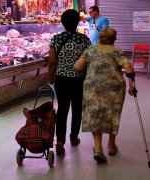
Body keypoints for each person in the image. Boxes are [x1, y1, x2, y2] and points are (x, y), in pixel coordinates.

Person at [74, 27, 135, 163]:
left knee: (95, 115)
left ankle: (98, 148)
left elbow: (77, 67)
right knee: (113, 114)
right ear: (114, 39)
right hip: (114, 88)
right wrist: (132, 86)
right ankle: (112, 145)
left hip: (93, 88)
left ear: (100, 37)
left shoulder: (90, 49)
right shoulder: (117, 51)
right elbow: (129, 68)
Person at [48, 9, 91, 155]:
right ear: (77, 22)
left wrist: (49, 79)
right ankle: (74, 138)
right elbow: (89, 62)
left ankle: (60, 141)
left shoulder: (56, 39)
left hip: (61, 79)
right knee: (77, 108)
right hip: (79, 79)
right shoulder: (84, 40)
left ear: (63, 23)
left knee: (62, 109)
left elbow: (52, 62)